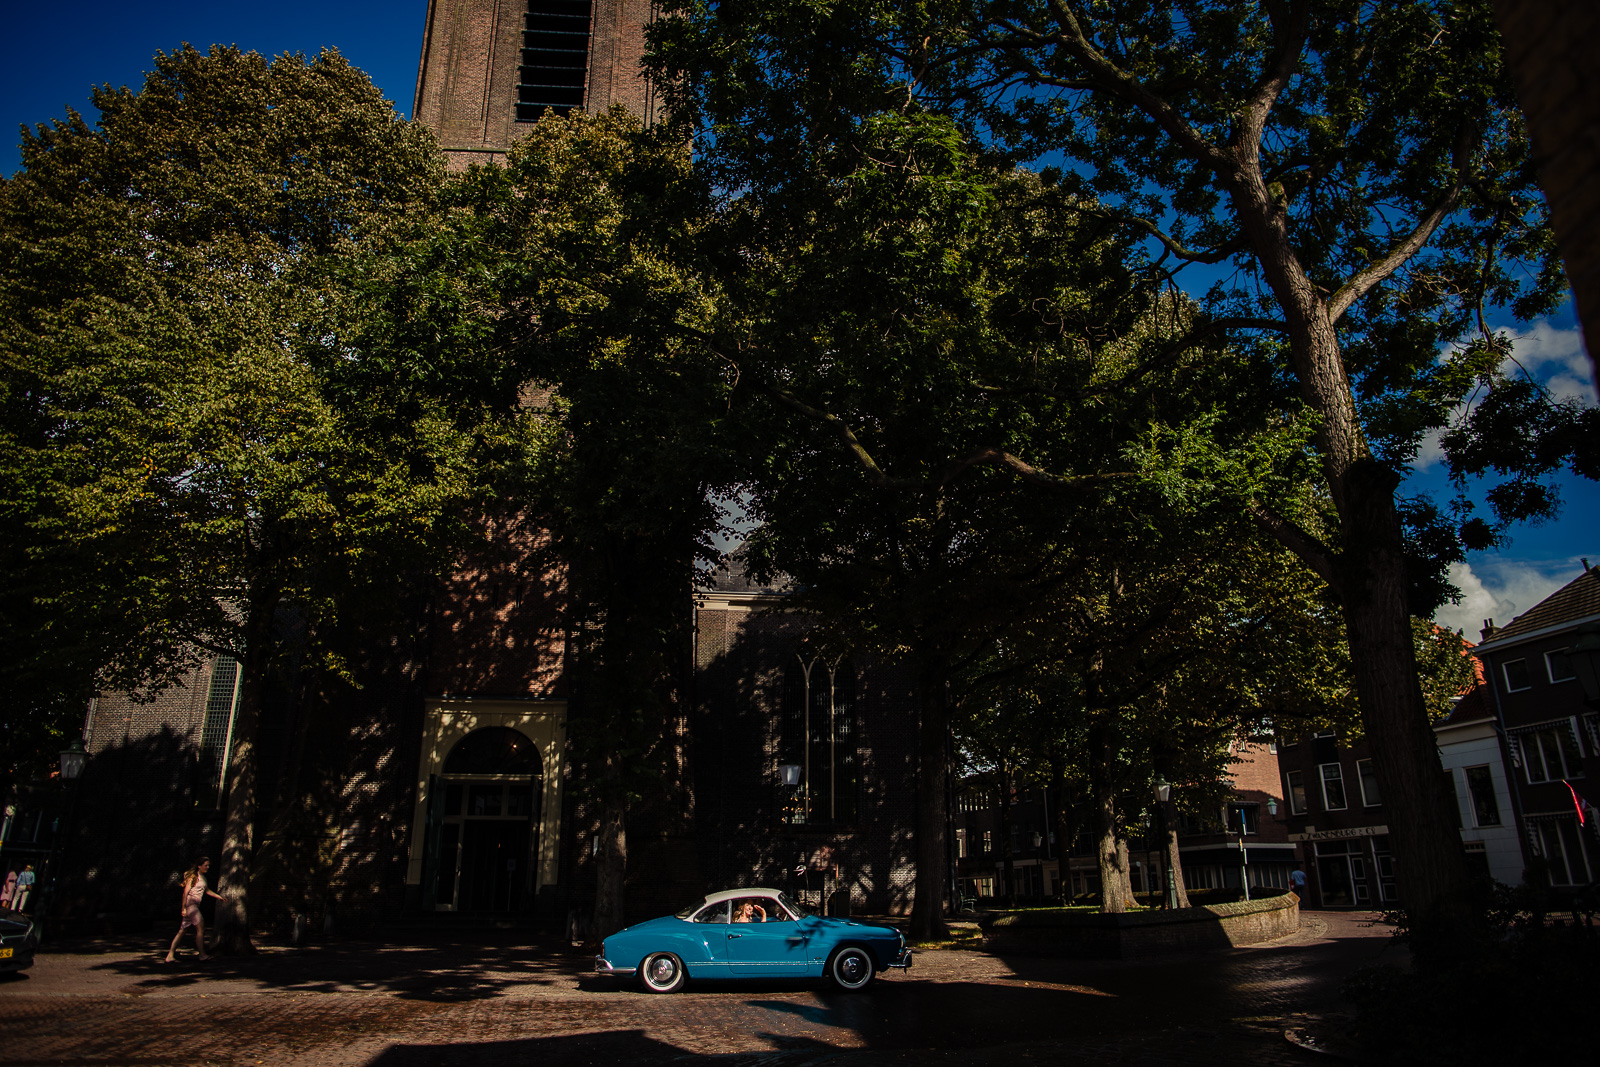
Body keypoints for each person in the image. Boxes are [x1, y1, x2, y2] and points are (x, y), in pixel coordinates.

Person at [165, 857, 224, 963]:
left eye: (208, 865)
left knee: (182, 931)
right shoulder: (193, 877)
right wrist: (183, 908)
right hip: (191, 906)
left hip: (194, 906)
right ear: (199, 866)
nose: (207, 867)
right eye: (205, 865)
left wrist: (219, 897)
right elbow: (185, 892)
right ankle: (202, 955)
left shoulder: (203, 878)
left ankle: (170, 955)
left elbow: (206, 890)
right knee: (201, 929)